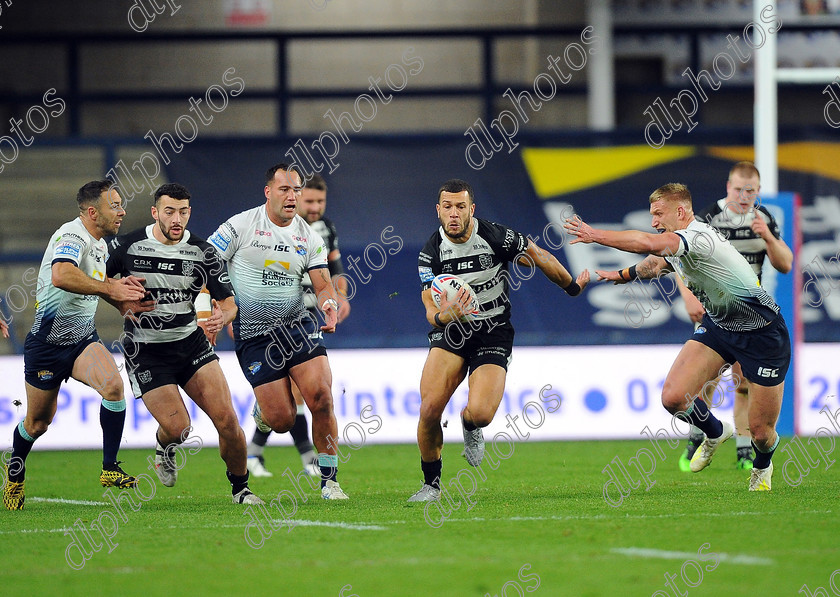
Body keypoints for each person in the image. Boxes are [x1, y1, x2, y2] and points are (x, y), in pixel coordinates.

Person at [565, 182, 790, 491]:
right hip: (721, 327)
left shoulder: (697, 236)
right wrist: (620, 276)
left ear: (681, 211)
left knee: (761, 433)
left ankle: (762, 467)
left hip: (763, 333)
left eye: (659, 214)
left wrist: (595, 235)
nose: (654, 222)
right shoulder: (680, 243)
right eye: (652, 215)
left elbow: (647, 243)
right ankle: (715, 431)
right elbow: (655, 264)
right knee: (674, 397)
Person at [407, 179, 590, 502]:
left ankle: (469, 425)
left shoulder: (495, 236)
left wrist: (571, 287)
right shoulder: (430, 253)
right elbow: (429, 311)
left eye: (460, 207)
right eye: (447, 207)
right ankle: (431, 484)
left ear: (471, 210)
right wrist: (445, 315)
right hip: (451, 332)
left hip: (493, 330)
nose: (453, 213)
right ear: (438, 211)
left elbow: (540, 256)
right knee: (429, 408)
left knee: (481, 413)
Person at [106, 183, 262, 505]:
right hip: (146, 351)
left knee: (229, 422)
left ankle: (241, 490)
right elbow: (98, 281)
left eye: (183, 212)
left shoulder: (203, 253)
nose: (177, 219)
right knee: (179, 429)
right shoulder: (127, 246)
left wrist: (224, 317)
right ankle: (165, 446)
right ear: (155, 212)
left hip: (191, 345)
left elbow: (229, 302)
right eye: (170, 211)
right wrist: (120, 300)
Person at [3, 180, 149, 510]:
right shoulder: (71, 235)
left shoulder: (100, 244)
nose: (122, 211)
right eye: (115, 205)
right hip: (47, 346)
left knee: (113, 386)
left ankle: (109, 468)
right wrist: (110, 289)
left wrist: (120, 303)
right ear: (93, 212)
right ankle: (15, 471)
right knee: (38, 423)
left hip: (82, 341)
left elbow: (98, 287)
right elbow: (61, 275)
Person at [208, 163, 349, 500]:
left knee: (322, 396)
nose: (292, 196)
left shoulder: (309, 236)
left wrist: (329, 303)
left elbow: (322, 284)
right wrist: (218, 307)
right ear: (268, 191)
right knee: (283, 419)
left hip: (297, 325)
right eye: (285, 189)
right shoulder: (240, 225)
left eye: (296, 190)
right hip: (254, 334)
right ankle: (265, 414)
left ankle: (329, 481)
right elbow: (206, 262)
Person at [676, 162, 793, 472]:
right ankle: (699, 434)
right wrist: (688, 297)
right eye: (738, 189)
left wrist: (768, 236)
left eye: (750, 191)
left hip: (751, 312)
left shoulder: (763, 218)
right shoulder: (708, 218)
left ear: (758, 191)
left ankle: (743, 447)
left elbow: (785, 264)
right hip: (714, 307)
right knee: (708, 378)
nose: (744, 196)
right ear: (728, 187)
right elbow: (677, 259)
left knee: (742, 381)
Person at [245, 173, 351, 479]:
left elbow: (336, 268)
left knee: (304, 392)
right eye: (310, 201)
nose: (315, 207)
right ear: (295, 197)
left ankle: (269, 454)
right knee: (289, 394)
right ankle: (293, 456)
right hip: (271, 315)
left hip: (307, 317)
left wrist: (339, 297)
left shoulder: (325, 228)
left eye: (320, 201)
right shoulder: (275, 227)